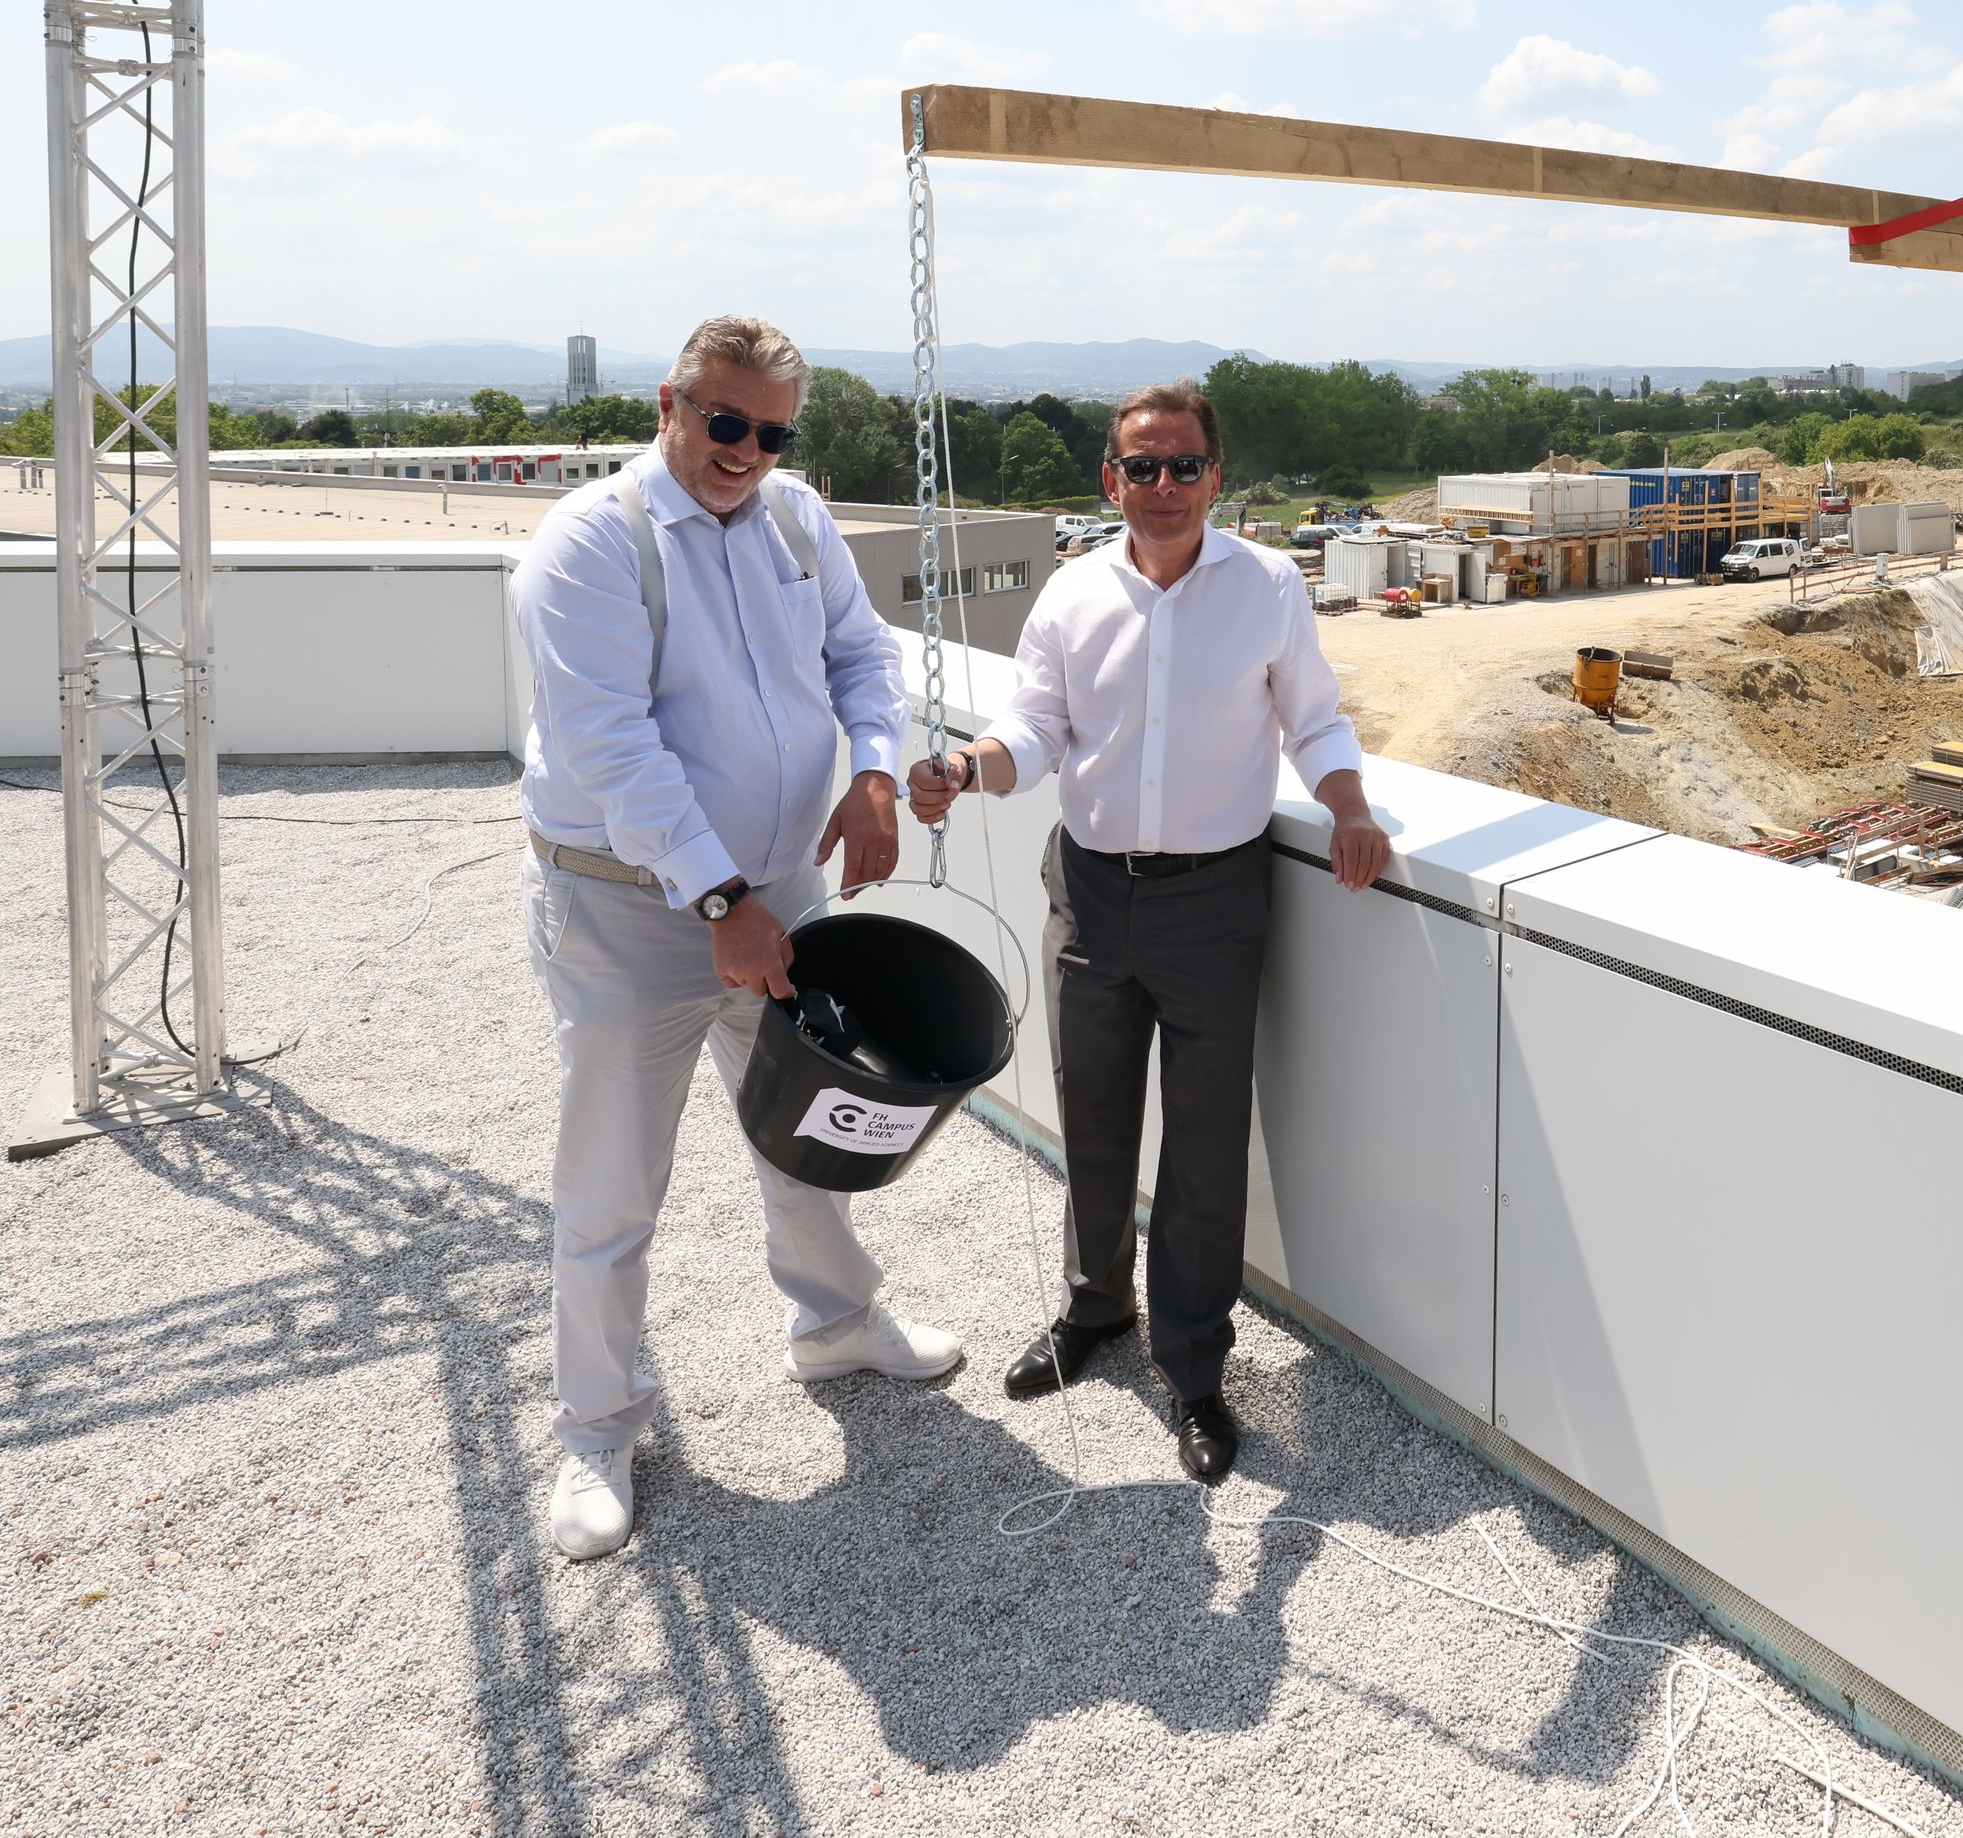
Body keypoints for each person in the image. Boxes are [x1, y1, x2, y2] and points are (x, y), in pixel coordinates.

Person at [509, 314, 964, 1562]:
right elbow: (613, 751)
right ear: (670, 404)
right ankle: (596, 1427)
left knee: (808, 1127)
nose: (746, 453)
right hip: (629, 909)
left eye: (772, 433)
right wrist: (721, 903)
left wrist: (873, 774)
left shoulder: (797, 519)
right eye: (725, 424)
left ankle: (833, 1324)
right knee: (611, 1180)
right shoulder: (592, 543)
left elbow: (863, 657)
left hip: (780, 893)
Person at [904, 380, 1391, 1485]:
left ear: (1217, 477)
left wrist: (1351, 808)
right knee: (1093, 1117)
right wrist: (964, 769)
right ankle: (1095, 1313)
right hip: (1088, 892)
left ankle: (1194, 1367)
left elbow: (1313, 717)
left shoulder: (1267, 584)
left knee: (1207, 1145)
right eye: (1141, 467)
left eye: (1182, 466)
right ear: (1109, 479)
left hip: (1215, 899)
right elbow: (1034, 727)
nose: (1161, 487)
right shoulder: (1071, 595)